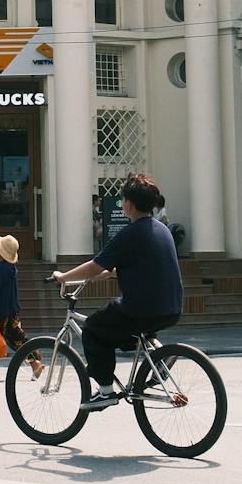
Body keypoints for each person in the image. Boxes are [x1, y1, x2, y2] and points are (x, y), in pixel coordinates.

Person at [51, 173, 188, 411]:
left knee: (93, 329)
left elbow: (95, 264)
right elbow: (145, 263)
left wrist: (63, 276)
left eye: (123, 199)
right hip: (171, 307)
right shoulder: (161, 229)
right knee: (121, 333)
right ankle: (158, 354)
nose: (122, 203)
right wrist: (110, 273)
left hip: (141, 308)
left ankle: (105, 392)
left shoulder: (130, 233)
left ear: (130, 204)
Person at [0, 234, 39, 380]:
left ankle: (34, 362)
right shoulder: (11, 269)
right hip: (11, 309)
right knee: (14, 336)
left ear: (1, 253)